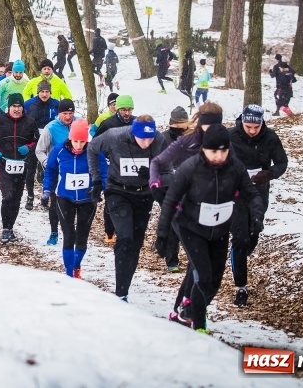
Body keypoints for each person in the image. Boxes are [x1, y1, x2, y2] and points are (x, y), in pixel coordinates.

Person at [155, 124, 264, 333]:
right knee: (203, 275)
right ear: (203, 149)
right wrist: (161, 235)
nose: (218, 156)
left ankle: (188, 311)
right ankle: (199, 326)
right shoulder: (190, 168)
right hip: (190, 227)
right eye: (213, 151)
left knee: (215, 280)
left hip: (220, 229)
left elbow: (251, 193)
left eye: (223, 151)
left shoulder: (235, 167)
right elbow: (170, 201)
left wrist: (257, 216)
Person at [150, 102, 224, 311]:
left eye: (216, 126)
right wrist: (155, 182)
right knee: (200, 266)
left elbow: (236, 172)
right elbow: (157, 162)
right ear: (200, 124)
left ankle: (184, 307)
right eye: (208, 127)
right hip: (184, 206)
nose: (213, 132)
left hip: (212, 209)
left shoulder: (224, 142)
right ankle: (190, 311)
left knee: (206, 271)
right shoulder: (186, 141)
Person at [88, 116, 171, 302]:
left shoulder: (160, 141)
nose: (146, 142)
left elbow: (169, 175)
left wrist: (153, 175)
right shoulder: (115, 136)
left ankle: (124, 287)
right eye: (142, 138)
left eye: (150, 138)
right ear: (133, 133)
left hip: (144, 196)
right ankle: (121, 292)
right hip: (118, 191)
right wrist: (96, 179)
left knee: (135, 243)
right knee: (125, 238)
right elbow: (92, 148)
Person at [227, 104, 288, 307]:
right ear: (242, 122)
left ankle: (238, 256)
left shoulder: (270, 137)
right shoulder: (230, 136)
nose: (252, 131)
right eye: (248, 126)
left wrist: (267, 174)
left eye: (256, 127)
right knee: (240, 238)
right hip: (235, 193)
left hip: (258, 192)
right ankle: (241, 287)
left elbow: (282, 163)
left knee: (253, 234)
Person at [0, 93, 40, 243]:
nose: (16, 109)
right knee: (7, 196)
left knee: (16, 198)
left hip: (22, 165)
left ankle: (10, 228)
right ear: (9, 108)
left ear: (23, 107)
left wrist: (28, 148)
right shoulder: (0, 120)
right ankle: (5, 229)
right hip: (3, 164)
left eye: (19, 106)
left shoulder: (30, 122)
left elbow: (36, 140)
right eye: (14, 106)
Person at [43, 118, 95, 278]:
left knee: (82, 236)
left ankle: (76, 265)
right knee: (69, 235)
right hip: (64, 197)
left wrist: (100, 186)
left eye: (82, 142)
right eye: (75, 141)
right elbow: (50, 170)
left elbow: (104, 171)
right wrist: (46, 190)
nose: (78, 145)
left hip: (88, 199)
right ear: (70, 138)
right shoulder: (59, 150)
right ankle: (68, 274)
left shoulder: (93, 151)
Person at [94, 95, 136, 245]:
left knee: (131, 199)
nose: (127, 113)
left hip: (132, 167)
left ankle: (126, 230)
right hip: (112, 167)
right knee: (112, 199)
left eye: (129, 109)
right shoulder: (108, 124)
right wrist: (107, 155)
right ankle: (109, 231)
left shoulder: (136, 122)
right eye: (124, 109)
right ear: (117, 109)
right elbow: (95, 144)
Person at [159, 106, 191, 271]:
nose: (179, 127)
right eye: (176, 124)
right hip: (167, 188)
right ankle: (172, 261)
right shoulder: (163, 139)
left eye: (182, 124)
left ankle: (194, 258)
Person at [23, 82, 61, 211]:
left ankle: (46, 198)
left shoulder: (56, 104)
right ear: (37, 92)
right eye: (42, 92)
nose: (44, 94)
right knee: (30, 169)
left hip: (50, 140)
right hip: (33, 139)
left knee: (48, 168)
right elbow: (23, 121)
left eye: (47, 92)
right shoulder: (29, 104)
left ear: (50, 92)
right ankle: (30, 196)